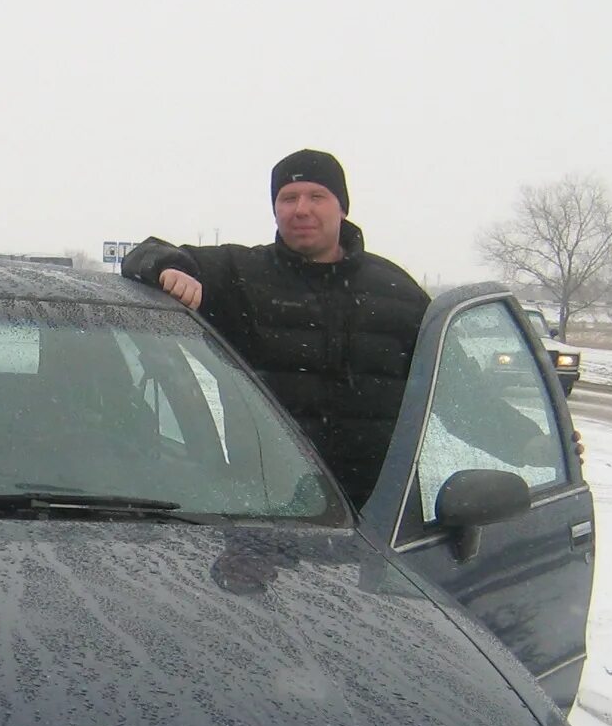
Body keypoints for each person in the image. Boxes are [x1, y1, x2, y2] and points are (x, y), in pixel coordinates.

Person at [122, 149, 430, 508]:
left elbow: (454, 384)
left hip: (379, 514)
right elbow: (144, 254)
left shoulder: (398, 292)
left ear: (342, 208)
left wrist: (507, 438)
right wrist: (169, 268)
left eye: (317, 196)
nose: (301, 209)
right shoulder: (240, 275)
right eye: (288, 198)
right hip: (267, 508)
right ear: (275, 208)